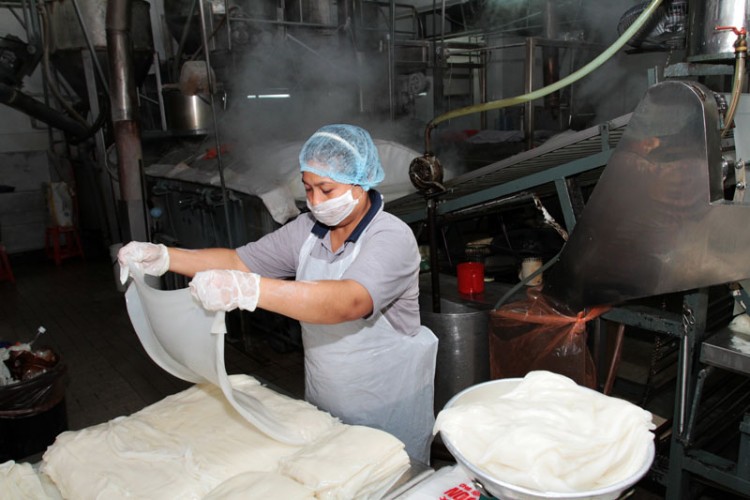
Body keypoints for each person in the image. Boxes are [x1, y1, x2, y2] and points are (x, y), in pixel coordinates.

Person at [118, 124, 438, 464]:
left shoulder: (390, 237)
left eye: (326, 189)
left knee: (391, 476)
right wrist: (165, 257)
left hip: (388, 406)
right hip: (327, 399)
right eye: (308, 188)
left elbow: (349, 301)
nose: (315, 201)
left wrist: (248, 290)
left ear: (361, 183)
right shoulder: (308, 230)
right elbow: (239, 261)